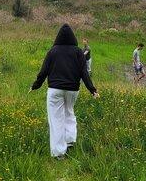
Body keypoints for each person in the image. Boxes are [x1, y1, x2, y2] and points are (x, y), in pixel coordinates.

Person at [31, 24, 99, 160]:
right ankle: (69, 140)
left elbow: (43, 71)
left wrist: (35, 86)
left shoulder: (52, 51)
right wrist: (92, 90)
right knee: (69, 112)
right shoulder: (78, 52)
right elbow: (84, 73)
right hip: (73, 90)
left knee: (56, 119)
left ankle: (59, 153)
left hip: (55, 90)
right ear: (73, 38)